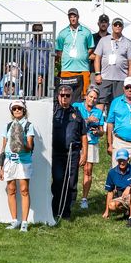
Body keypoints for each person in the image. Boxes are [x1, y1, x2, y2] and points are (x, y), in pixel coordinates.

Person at [0, 99, 37, 230]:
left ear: (24, 110)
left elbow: (30, 146)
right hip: (9, 161)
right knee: (11, 190)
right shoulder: (7, 126)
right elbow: (3, 147)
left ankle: (24, 222)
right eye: (14, 109)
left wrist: (21, 143)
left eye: (19, 108)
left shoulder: (28, 125)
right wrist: (1, 167)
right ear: (12, 112)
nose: (17, 110)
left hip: (23, 161)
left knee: (24, 190)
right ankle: (14, 220)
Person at [50, 84, 84, 221]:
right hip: (57, 153)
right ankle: (55, 209)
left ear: (71, 97)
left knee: (71, 182)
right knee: (58, 180)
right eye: (62, 95)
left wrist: (84, 153)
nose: (64, 98)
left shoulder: (76, 113)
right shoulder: (53, 113)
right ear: (58, 96)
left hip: (73, 152)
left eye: (67, 96)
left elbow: (83, 134)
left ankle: (67, 212)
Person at [55, 8, 95, 97]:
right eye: (71, 17)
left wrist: (83, 55)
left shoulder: (86, 32)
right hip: (67, 69)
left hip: (83, 68)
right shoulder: (63, 33)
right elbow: (59, 50)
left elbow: (91, 47)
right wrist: (66, 57)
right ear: (68, 18)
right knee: (65, 95)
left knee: (85, 95)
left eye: (74, 16)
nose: (73, 19)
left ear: (78, 17)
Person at [78, 87, 106, 210]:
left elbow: (102, 131)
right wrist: (87, 120)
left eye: (95, 98)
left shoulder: (99, 112)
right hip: (77, 142)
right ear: (86, 96)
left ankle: (84, 198)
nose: (92, 99)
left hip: (91, 142)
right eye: (90, 97)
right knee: (72, 169)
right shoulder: (76, 106)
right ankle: (70, 195)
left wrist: (97, 132)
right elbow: (73, 122)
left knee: (88, 170)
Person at [102, 147, 131, 221]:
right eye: (120, 160)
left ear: (128, 159)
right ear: (117, 160)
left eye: (124, 160)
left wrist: (129, 187)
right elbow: (110, 192)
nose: (122, 162)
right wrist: (107, 211)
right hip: (121, 197)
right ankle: (127, 212)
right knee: (112, 205)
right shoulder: (112, 172)